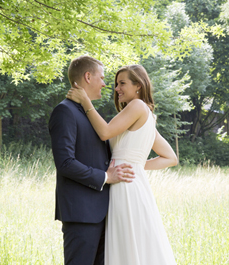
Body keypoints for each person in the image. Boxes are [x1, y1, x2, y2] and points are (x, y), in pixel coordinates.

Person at [66, 64, 178, 264]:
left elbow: (105, 132)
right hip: (128, 184)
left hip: (127, 188)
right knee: (130, 246)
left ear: (138, 86)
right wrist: (134, 165)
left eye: (122, 83)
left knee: (127, 247)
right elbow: (170, 157)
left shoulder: (137, 106)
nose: (116, 88)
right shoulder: (144, 115)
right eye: (117, 84)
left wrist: (85, 102)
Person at [49, 55, 136, 265]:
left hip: (104, 213)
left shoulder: (89, 112)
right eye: (102, 78)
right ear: (88, 77)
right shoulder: (64, 111)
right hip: (81, 214)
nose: (106, 84)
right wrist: (106, 177)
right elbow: (65, 163)